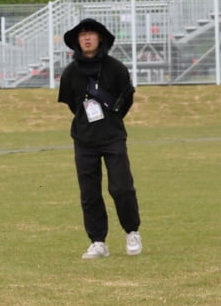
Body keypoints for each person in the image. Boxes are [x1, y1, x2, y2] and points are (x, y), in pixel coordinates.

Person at [58, 18, 142, 260]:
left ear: (101, 37)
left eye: (91, 34)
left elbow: (126, 100)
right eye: (82, 34)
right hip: (83, 140)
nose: (86, 38)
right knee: (89, 192)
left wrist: (108, 122)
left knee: (122, 187)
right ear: (76, 41)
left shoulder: (116, 68)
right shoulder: (70, 73)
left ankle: (132, 232)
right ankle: (97, 241)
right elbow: (73, 106)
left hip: (113, 137)